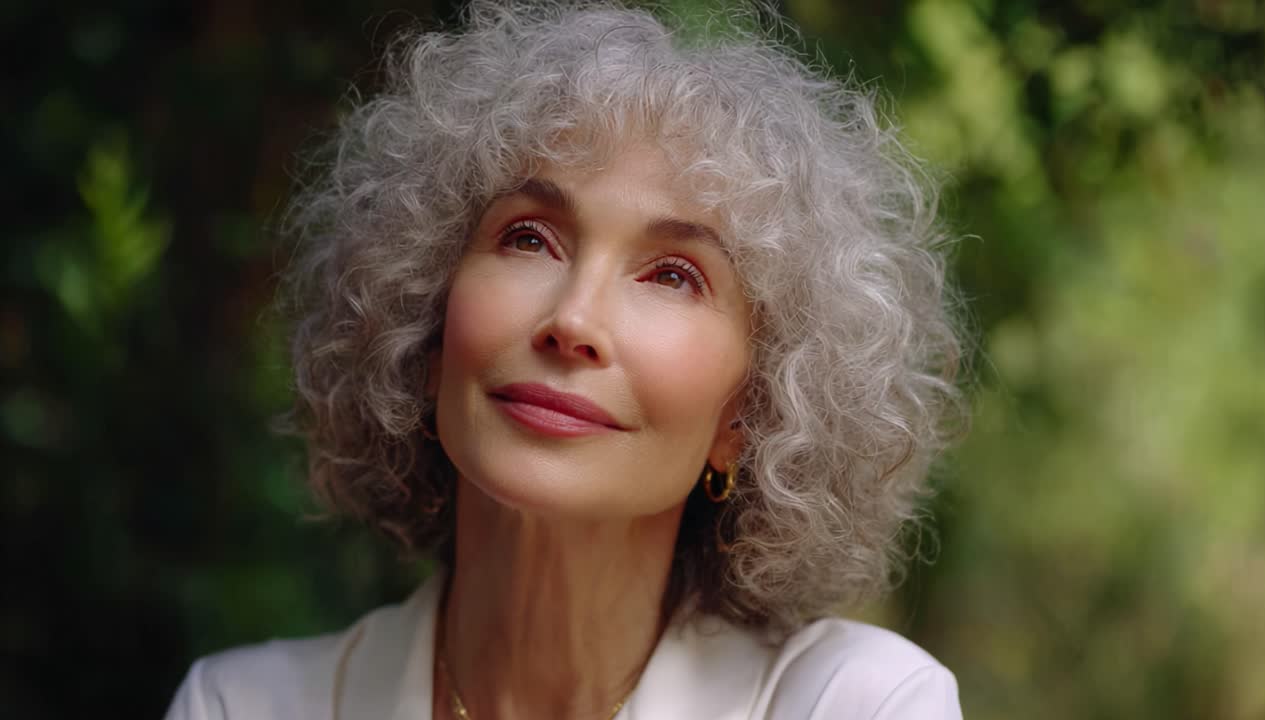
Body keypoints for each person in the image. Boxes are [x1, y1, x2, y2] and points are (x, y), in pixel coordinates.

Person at [164, 1, 967, 718]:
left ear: (746, 418)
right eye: (528, 237)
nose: (573, 320)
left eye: (674, 276)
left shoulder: (856, 703)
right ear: (428, 325)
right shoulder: (241, 706)